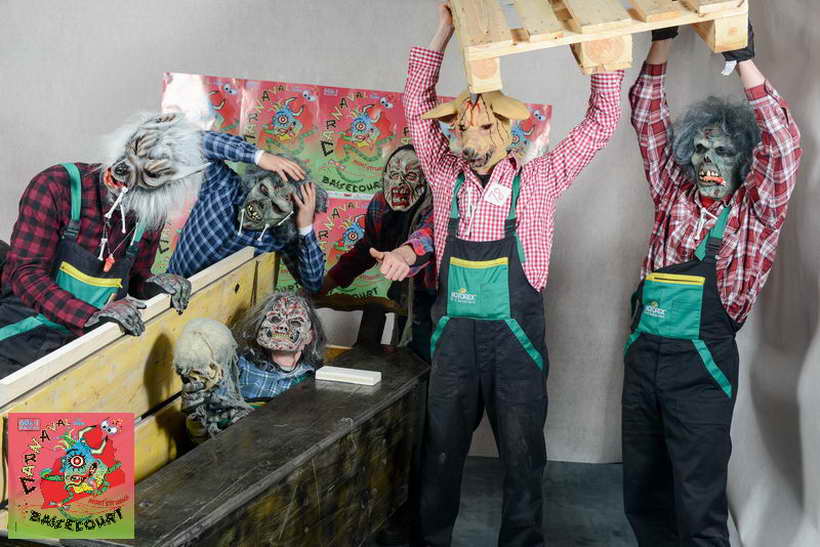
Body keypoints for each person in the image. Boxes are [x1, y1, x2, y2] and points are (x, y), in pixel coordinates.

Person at [405, 4, 624, 545]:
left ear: (505, 129)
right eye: (461, 128)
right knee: (439, 453)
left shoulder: (541, 179)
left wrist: (603, 56)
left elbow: (600, 124)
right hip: (454, 347)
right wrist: (444, 28)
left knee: (524, 461)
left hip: (516, 349)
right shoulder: (444, 176)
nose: (469, 140)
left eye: (483, 127)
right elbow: (416, 105)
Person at [622, 23, 801, 546]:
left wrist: (744, 61)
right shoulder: (671, 195)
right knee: (644, 492)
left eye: (722, 151)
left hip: (700, 375)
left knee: (698, 501)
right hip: (643, 363)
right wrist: (661, 42)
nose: (707, 162)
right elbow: (646, 118)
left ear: (742, 160)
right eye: (700, 150)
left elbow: (785, 146)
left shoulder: (755, 214)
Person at [0, 113, 201, 375]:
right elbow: (24, 273)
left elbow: (136, 277)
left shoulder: (149, 216)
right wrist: (89, 315)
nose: (123, 174)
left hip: (85, 346)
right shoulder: (56, 186)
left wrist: (154, 285)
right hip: (20, 336)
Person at [167, 131, 326, 293]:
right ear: (255, 181)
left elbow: (313, 284)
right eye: (263, 190)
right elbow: (192, 141)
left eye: (277, 207)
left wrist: (305, 228)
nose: (261, 205)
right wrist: (257, 156)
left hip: (214, 305)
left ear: (286, 219)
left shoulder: (280, 237)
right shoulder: (222, 185)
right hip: (167, 291)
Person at [320, 144, 436, 362]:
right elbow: (366, 250)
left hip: (436, 299)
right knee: (406, 358)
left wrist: (402, 255)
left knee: (429, 359)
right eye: (394, 175)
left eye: (411, 176)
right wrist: (326, 284)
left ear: (426, 181)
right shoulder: (380, 203)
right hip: (404, 299)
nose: (399, 184)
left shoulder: (437, 204)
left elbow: (426, 238)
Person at [173, 292, 325, 444]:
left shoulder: (313, 378)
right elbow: (210, 425)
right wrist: (199, 417)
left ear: (310, 336)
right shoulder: (241, 367)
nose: (283, 326)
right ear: (260, 325)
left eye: (295, 323)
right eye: (275, 319)